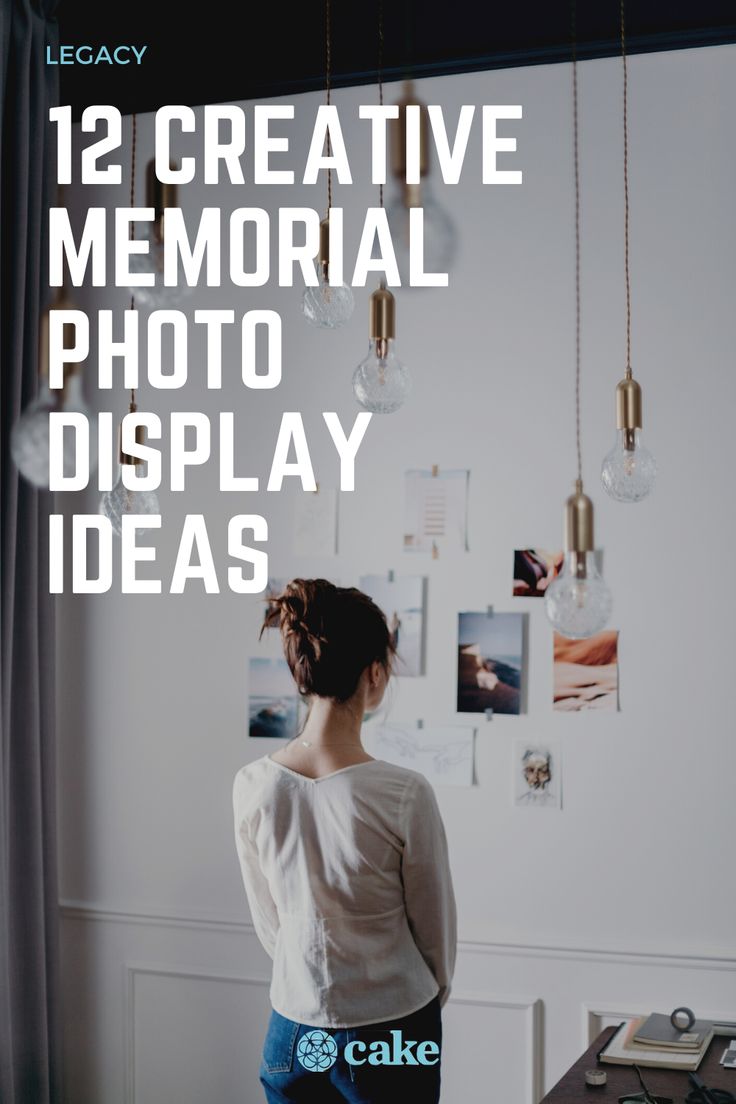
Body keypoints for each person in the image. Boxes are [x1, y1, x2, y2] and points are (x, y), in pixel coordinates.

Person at [232, 578, 457, 1103]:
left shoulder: (252, 784)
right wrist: (420, 1006)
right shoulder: (404, 793)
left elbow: (272, 926)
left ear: (301, 673)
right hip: (392, 1025)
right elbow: (434, 934)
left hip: (291, 1025)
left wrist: (311, 983)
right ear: (374, 674)